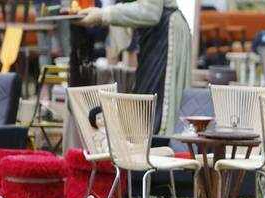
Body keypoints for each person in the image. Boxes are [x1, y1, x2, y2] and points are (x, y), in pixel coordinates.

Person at [76, 0, 191, 135]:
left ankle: (159, 147)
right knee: (145, 105)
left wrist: (104, 14)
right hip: (153, 34)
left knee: (156, 108)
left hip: (165, 34)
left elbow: (150, 12)